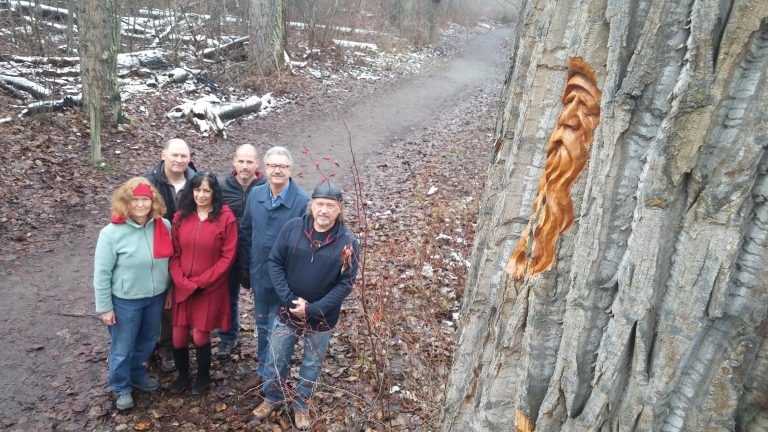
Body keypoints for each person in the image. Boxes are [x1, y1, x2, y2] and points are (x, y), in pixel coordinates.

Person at [252, 181, 359, 430]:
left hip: (322, 316)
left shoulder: (348, 243)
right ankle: (273, 398)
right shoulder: (293, 228)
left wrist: (312, 309)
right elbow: (275, 262)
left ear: (339, 208)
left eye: (330, 206)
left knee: (312, 364)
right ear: (312, 204)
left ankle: (301, 405)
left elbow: (346, 284)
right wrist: (290, 300)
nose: (324, 210)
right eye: (320, 204)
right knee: (277, 356)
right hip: (287, 311)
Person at [93, 177, 173, 411]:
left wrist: (168, 290)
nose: (140, 205)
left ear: (153, 201)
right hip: (125, 301)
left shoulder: (163, 226)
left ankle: (137, 374)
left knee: (148, 341)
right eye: (135, 200)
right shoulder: (111, 233)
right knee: (123, 347)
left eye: (145, 200)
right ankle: (121, 387)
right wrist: (105, 307)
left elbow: (168, 263)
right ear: (126, 202)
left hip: (155, 297)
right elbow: (101, 273)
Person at [238, 146, 309, 390]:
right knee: (262, 324)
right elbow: (246, 232)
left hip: (287, 281)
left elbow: (308, 246)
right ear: (264, 169)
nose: (277, 170)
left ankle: (276, 377)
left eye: (283, 166)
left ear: (290, 170)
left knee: (281, 329)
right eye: (272, 166)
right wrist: (244, 268)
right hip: (259, 274)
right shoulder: (256, 195)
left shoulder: (302, 202)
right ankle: (262, 369)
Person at [168, 172, 237, 394]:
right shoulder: (180, 217)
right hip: (183, 286)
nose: (201, 195)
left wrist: (200, 283)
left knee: (199, 334)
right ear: (191, 191)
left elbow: (228, 257)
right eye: (197, 190)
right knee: (178, 335)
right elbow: (174, 254)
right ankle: (182, 374)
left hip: (209, 288)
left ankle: (203, 376)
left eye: (207, 190)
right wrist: (182, 281)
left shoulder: (226, 218)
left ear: (214, 193)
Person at [144, 138, 197, 372]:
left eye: (183, 156)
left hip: (189, 249)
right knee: (162, 299)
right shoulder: (149, 182)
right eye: (174, 155)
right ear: (163, 154)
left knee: (184, 297)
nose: (179, 160)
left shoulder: (198, 181)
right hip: (157, 249)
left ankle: (176, 343)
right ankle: (157, 346)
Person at [216, 144, 266, 359]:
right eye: (241, 161)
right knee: (227, 298)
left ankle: (269, 340)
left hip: (257, 254)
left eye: (250, 162)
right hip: (227, 255)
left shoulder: (266, 187)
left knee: (264, 298)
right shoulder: (221, 187)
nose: (245, 166)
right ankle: (228, 338)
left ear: (257, 164)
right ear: (234, 162)